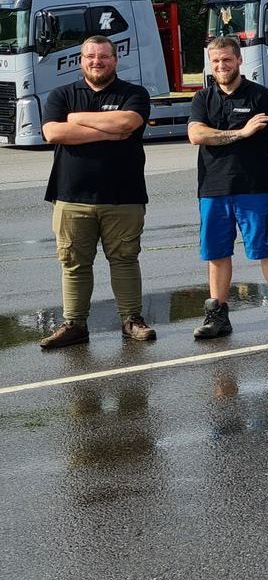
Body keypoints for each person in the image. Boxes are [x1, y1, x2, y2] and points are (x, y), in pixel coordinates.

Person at [38, 36, 156, 348]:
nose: (96, 61)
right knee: (74, 262)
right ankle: (75, 325)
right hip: (71, 197)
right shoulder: (63, 94)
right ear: (81, 60)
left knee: (125, 259)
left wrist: (76, 122)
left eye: (103, 56)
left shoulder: (134, 93)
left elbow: (128, 121)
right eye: (90, 56)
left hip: (124, 196)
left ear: (115, 60)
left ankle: (132, 320)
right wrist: (107, 129)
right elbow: (53, 131)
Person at [187, 35, 268, 339]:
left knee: (267, 248)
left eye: (227, 59)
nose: (222, 66)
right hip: (213, 188)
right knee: (217, 252)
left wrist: (253, 150)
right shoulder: (203, 99)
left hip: (255, 187)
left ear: (239, 60)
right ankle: (217, 316)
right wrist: (242, 134)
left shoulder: (261, 96)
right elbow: (197, 135)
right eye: (216, 61)